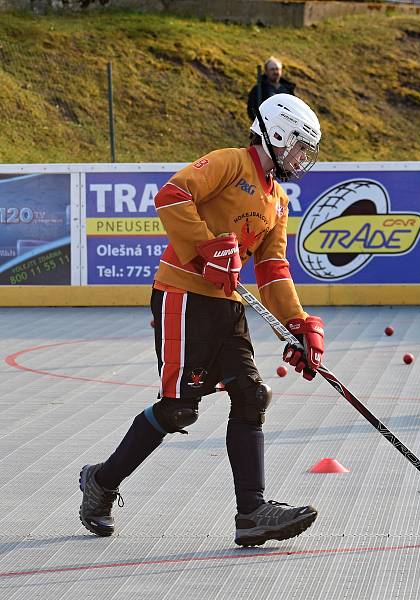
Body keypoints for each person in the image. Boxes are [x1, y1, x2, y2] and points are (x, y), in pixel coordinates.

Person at [79, 94, 324, 547]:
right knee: (178, 409)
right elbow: (172, 194)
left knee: (252, 395)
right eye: (298, 147)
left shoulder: (278, 201)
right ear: (278, 133)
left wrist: (298, 322)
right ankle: (101, 482)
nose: (301, 158)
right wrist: (207, 245)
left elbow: (272, 267)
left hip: (226, 304)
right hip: (183, 296)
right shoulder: (231, 163)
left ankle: (251, 514)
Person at [247, 57, 296, 121]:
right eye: (272, 69)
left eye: (277, 69)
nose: (275, 72)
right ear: (266, 71)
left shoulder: (288, 89)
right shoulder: (258, 90)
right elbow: (252, 109)